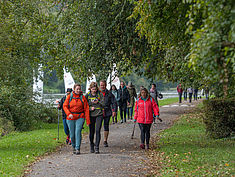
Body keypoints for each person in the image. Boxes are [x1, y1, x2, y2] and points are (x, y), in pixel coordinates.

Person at [63, 84, 90, 155]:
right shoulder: (69, 97)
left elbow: (86, 109)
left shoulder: (82, 97)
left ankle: (78, 148)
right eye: (77, 89)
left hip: (80, 117)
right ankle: (74, 146)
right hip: (70, 117)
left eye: (79, 89)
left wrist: (87, 120)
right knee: (72, 134)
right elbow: (65, 106)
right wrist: (69, 114)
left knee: (78, 132)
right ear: (74, 89)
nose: (78, 90)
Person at [85, 82, 105, 154]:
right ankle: (91, 145)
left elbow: (104, 104)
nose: (94, 90)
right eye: (93, 89)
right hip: (91, 115)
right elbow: (85, 105)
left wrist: (98, 102)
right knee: (91, 131)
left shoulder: (100, 94)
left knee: (97, 130)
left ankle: (97, 147)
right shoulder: (87, 95)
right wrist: (90, 108)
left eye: (95, 89)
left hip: (99, 114)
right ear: (90, 89)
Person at [99, 80, 117, 147]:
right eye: (101, 85)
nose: (102, 86)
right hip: (99, 112)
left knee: (106, 126)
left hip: (107, 111)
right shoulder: (97, 93)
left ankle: (105, 140)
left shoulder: (109, 93)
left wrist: (114, 111)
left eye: (103, 85)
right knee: (98, 126)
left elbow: (114, 102)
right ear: (99, 85)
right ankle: (97, 140)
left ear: (106, 85)